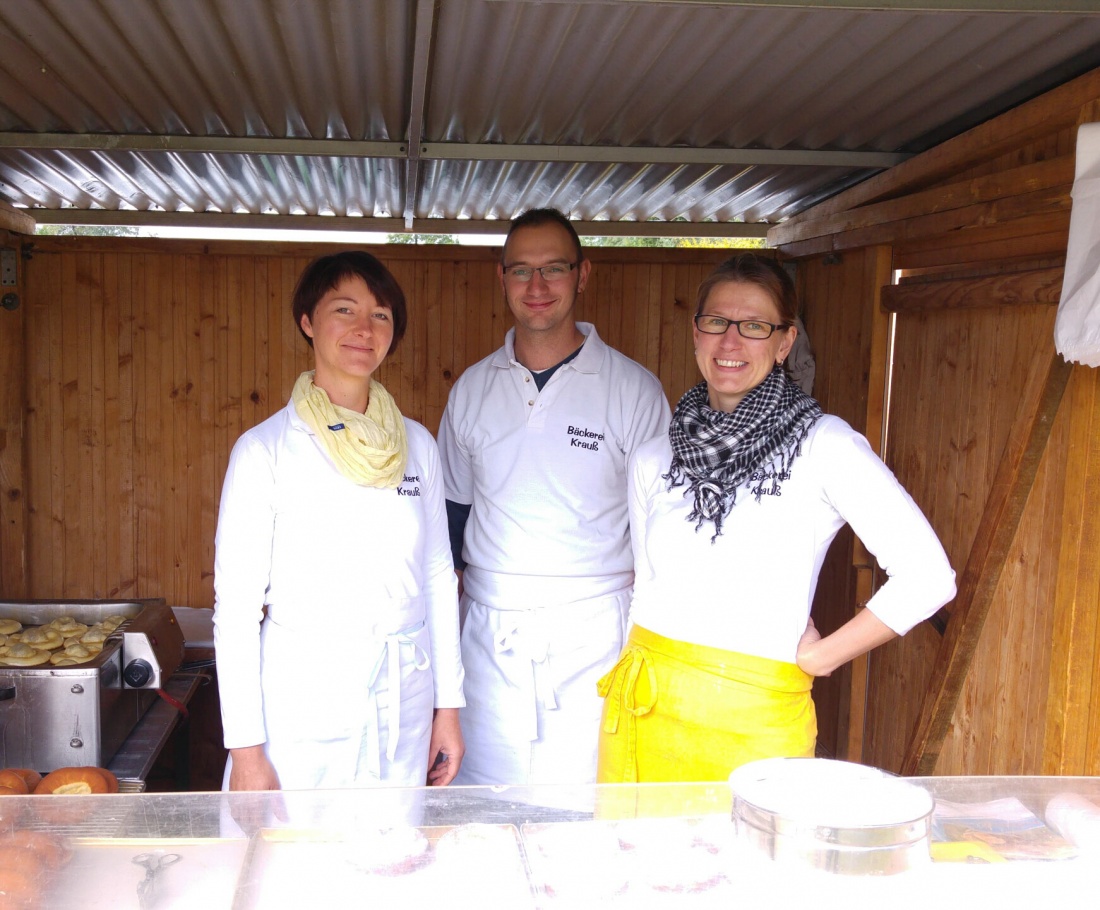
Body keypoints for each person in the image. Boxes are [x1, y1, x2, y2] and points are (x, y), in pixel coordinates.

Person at [597, 253, 956, 783]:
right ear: (696, 332)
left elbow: (929, 577)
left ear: (785, 342)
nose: (730, 342)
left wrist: (824, 657)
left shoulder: (823, 446)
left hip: (758, 722)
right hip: (645, 710)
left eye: (755, 326)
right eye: (716, 322)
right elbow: (644, 589)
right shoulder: (655, 458)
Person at [213, 250, 464, 792]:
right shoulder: (265, 450)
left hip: (405, 695)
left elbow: (439, 578)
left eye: (381, 316)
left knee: (393, 856)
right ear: (308, 322)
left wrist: (449, 708)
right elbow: (235, 609)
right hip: (302, 703)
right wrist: (247, 751)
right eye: (344, 310)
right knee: (292, 861)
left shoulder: (416, 445)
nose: (363, 330)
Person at [438, 208, 671, 785]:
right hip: (490, 636)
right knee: (484, 808)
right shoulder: (471, 389)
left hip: (596, 635)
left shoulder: (633, 390)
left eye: (553, 269)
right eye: (521, 271)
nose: (536, 287)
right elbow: (451, 520)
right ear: (502, 280)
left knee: (586, 807)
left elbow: (663, 531)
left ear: (583, 275)